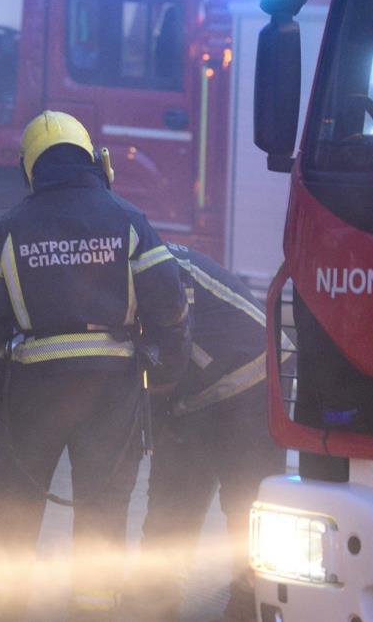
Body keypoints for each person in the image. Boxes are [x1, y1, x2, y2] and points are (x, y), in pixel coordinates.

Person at [0, 111, 189, 621]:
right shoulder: (127, 219)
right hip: (111, 391)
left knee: (16, 506)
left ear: (30, 168)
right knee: (103, 509)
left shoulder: (11, 226)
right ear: (94, 160)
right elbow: (170, 303)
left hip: (33, 390)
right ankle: (92, 609)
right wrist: (165, 369)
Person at [129, 243, 290, 622]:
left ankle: (247, 603)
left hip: (253, 378)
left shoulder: (158, 269)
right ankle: (158, 600)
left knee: (247, 506)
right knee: (174, 500)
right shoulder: (132, 259)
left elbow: (170, 353)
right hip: (196, 391)